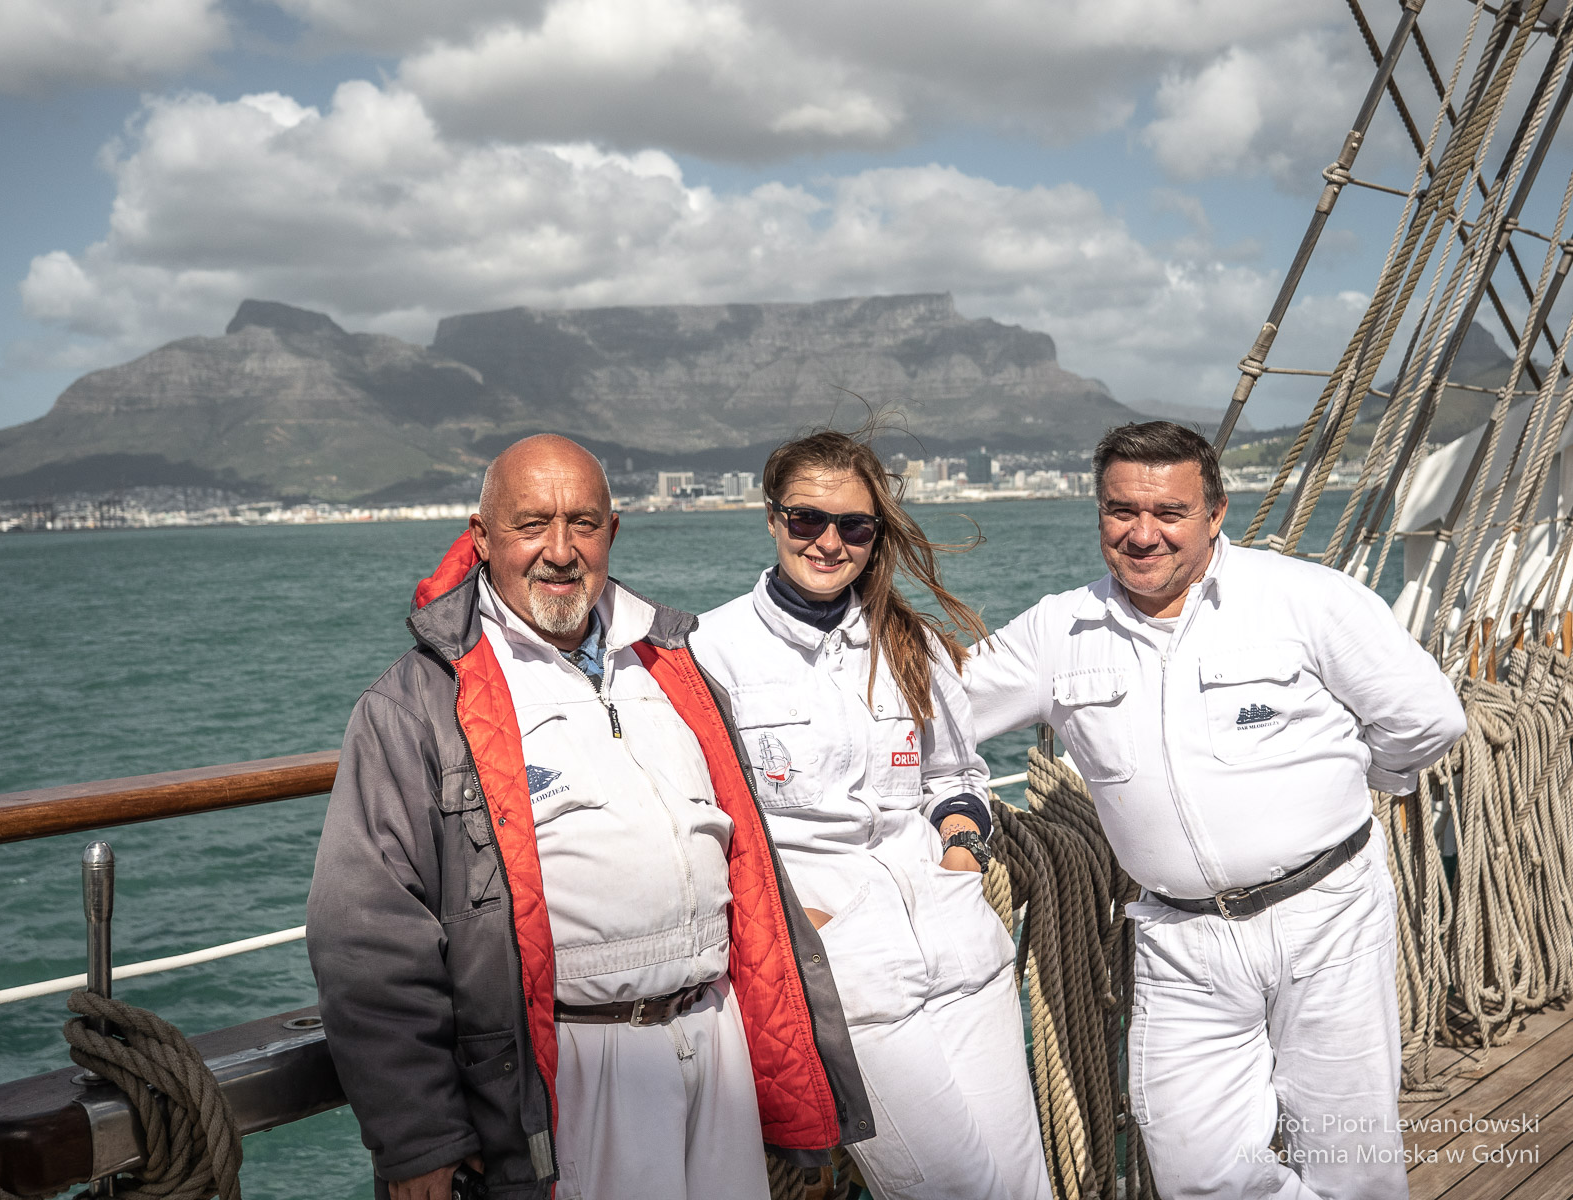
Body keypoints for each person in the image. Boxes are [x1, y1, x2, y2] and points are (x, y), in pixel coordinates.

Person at [306, 434, 871, 1200]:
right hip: (571, 1068)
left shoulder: (674, 666)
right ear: (482, 538)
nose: (560, 550)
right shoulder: (416, 705)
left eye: (583, 523)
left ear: (613, 531)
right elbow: (367, 939)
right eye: (531, 524)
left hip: (717, 1043)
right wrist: (419, 1139)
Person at [965, 421, 1467, 1199]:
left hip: (1326, 914)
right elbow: (932, 713)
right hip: (1179, 936)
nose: (1143, 534)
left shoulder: (1302, 598)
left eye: (1169, 511)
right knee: (1198, 1171)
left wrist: (1364, 781)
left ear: (1215, 512)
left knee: (1349, 1155)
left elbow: (1427, 718)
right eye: (1121, 511)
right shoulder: (1059, 631)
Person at [692, 430, 1052, 1200]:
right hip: (849, 983)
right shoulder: (710, 652)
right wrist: (809, 926)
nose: (829, 542)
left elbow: (957, 774)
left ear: (876, 533)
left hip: (966, 955)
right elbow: (704, 825)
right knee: (951, 1191)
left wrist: (961, 856)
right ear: (772, 518)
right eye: (807, 519)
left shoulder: (909, 641)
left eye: (854, 526)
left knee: (1025, 1188)